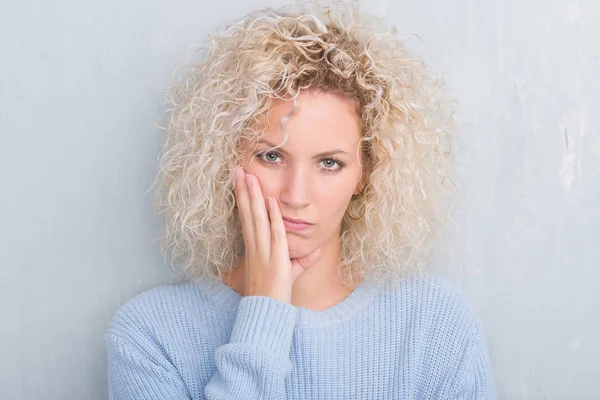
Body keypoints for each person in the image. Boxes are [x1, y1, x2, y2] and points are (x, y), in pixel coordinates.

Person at [105, 1, 498, 398]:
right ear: (226, 160)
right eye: (271, 156)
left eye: (329, 163)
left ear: (367, 173)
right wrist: (264, 314)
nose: (296, 195)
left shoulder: (434, 322)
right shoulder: (150, 335)